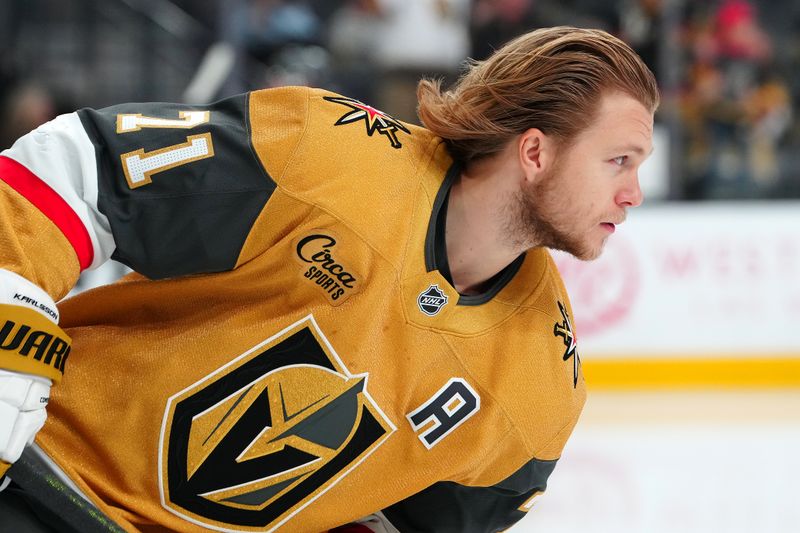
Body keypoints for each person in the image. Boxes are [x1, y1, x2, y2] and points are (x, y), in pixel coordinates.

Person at [0, 26, 658, 532]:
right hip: (35, 476)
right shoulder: (328, 158)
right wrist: (12, 313)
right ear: (536, 151)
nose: (634, 192)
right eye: (618, 161)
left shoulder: (539, 392)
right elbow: (75, 167)